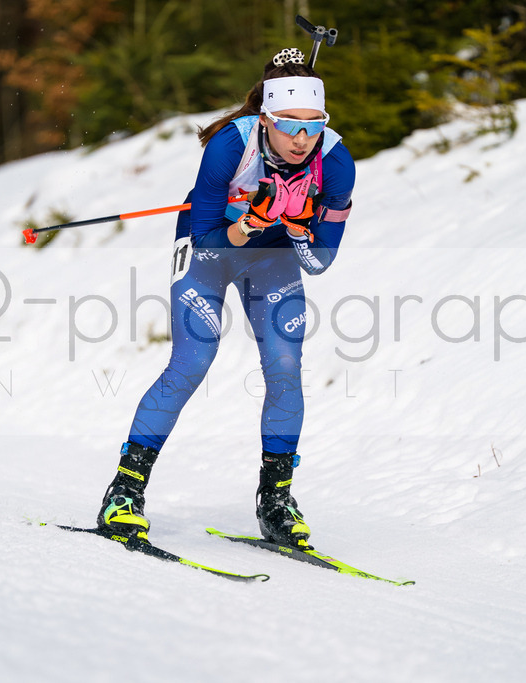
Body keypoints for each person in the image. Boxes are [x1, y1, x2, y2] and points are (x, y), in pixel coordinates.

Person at [95, 47, 355, 549]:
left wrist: (299, 227)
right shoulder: (227, 146)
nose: (302, 139)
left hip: (275, 256)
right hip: (211, 248)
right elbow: (210, 237)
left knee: (284, 364)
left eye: (314, 124)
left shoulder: (336, 162)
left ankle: (276, 501)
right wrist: (253, 221)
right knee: (193, 360)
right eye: (288, 124)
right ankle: (124, 493)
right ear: (266, 117)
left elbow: (319, 262)